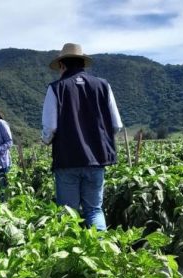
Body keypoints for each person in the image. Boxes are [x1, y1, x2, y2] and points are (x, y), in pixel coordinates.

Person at [41, 43, 123, 231]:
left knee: (69, 214)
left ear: (62, 65)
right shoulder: (103, 85)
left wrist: (46, 140)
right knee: (94, 210)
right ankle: (102, 251)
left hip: (68, 159)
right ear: (83, 63)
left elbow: (50, 127)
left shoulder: (56, 88)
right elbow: (116, 125)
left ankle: (72, 256)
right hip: (97, 159)